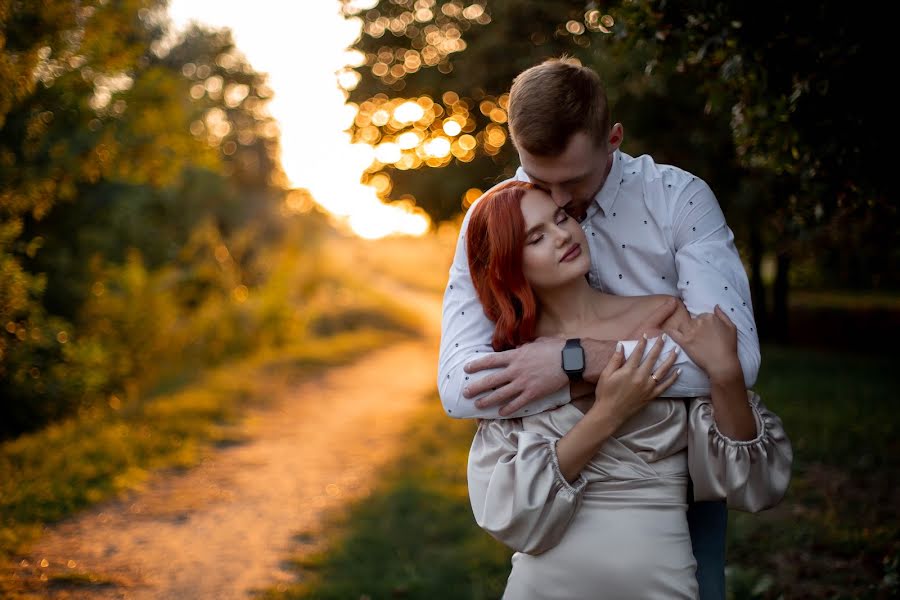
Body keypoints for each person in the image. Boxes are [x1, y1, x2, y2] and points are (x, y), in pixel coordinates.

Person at [438, 57, 762, 598]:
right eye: (538, 177)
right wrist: (629, 370)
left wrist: (572, 359)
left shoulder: (677, 199)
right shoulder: (498, 217)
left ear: (613, 139)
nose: (557, 202)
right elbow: (460, 388)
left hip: (672, 477)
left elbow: (736, 360)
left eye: (571, 183)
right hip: (553, 484)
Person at [464, 181, 792, 598]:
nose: (562, 235)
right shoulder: (515, 362)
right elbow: (512, 518)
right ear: (509, 265)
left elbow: (754, 483)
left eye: (561, 218)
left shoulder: (663, 315)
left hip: (660, 582)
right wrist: (608, 414)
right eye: (536, 236)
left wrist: (726, 374)